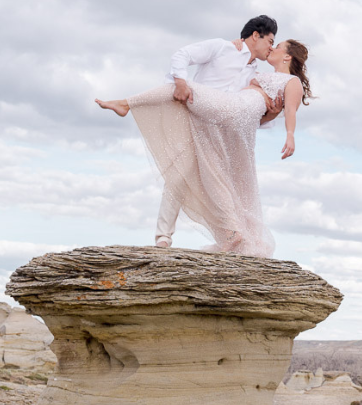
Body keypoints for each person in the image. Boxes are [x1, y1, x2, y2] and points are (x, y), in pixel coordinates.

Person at [95, 20, 313, 257]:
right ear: (255, 36)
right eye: (270, 42)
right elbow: (182, 54)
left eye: (276, 45)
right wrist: (179, 80)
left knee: (219, 180)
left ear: (287, 57)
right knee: (179, 175)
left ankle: (127, 103)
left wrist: (275, 119)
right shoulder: (222, 48)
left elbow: (259, 112)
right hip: (197, 116)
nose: (271, 48)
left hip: (221, 127)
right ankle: (164, 238)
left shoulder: (259, 75)